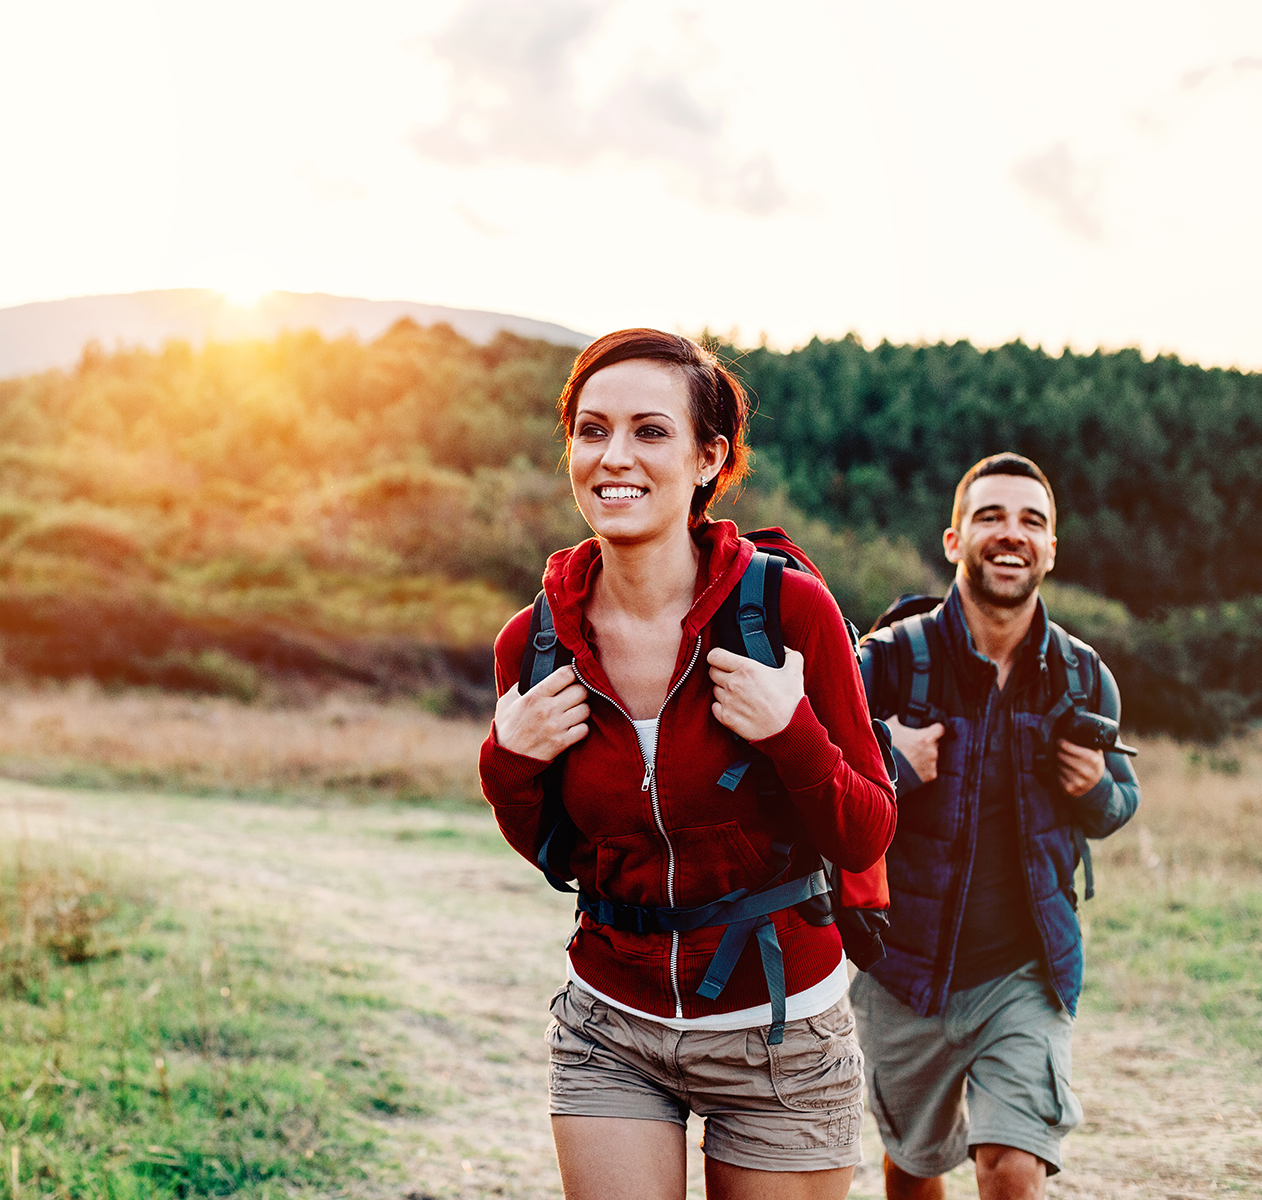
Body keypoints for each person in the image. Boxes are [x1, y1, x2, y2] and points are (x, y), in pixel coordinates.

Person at [479, 329, 897, 1200]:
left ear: (711, 458)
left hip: (779, 1035)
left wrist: (793, 735)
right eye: (591, 431)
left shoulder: (787, 613)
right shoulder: (535, 641)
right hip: (610, 1023)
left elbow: (866, 829)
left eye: (650, 431)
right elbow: (559, 850)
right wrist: (505, 762)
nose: (613, 457)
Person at [853, 453, 1141, 1200]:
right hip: (901, 969)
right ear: (954, 540)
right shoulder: (886, 663)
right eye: (990, 517)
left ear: (1051, 549)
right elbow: (814, 788)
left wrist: (1096, 789)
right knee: (914, 1166)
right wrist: (893, 760)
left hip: (1027, 973)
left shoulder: (1083, 676)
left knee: (1012, 1166)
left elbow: (1120, 803)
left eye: (1031, 521)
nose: (1010, 534)